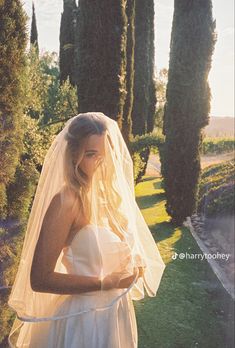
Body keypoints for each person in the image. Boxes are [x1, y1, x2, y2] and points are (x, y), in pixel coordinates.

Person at [8, 112, 166, 348]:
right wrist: (104, 283)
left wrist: (134, 264)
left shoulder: (109, 199)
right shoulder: (66, 201)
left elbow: (120, 251)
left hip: (115, 314)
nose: (101, 162)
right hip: (83, 321)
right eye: (92, 154)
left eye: (105, 155)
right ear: (74, 155)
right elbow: (39, 279)